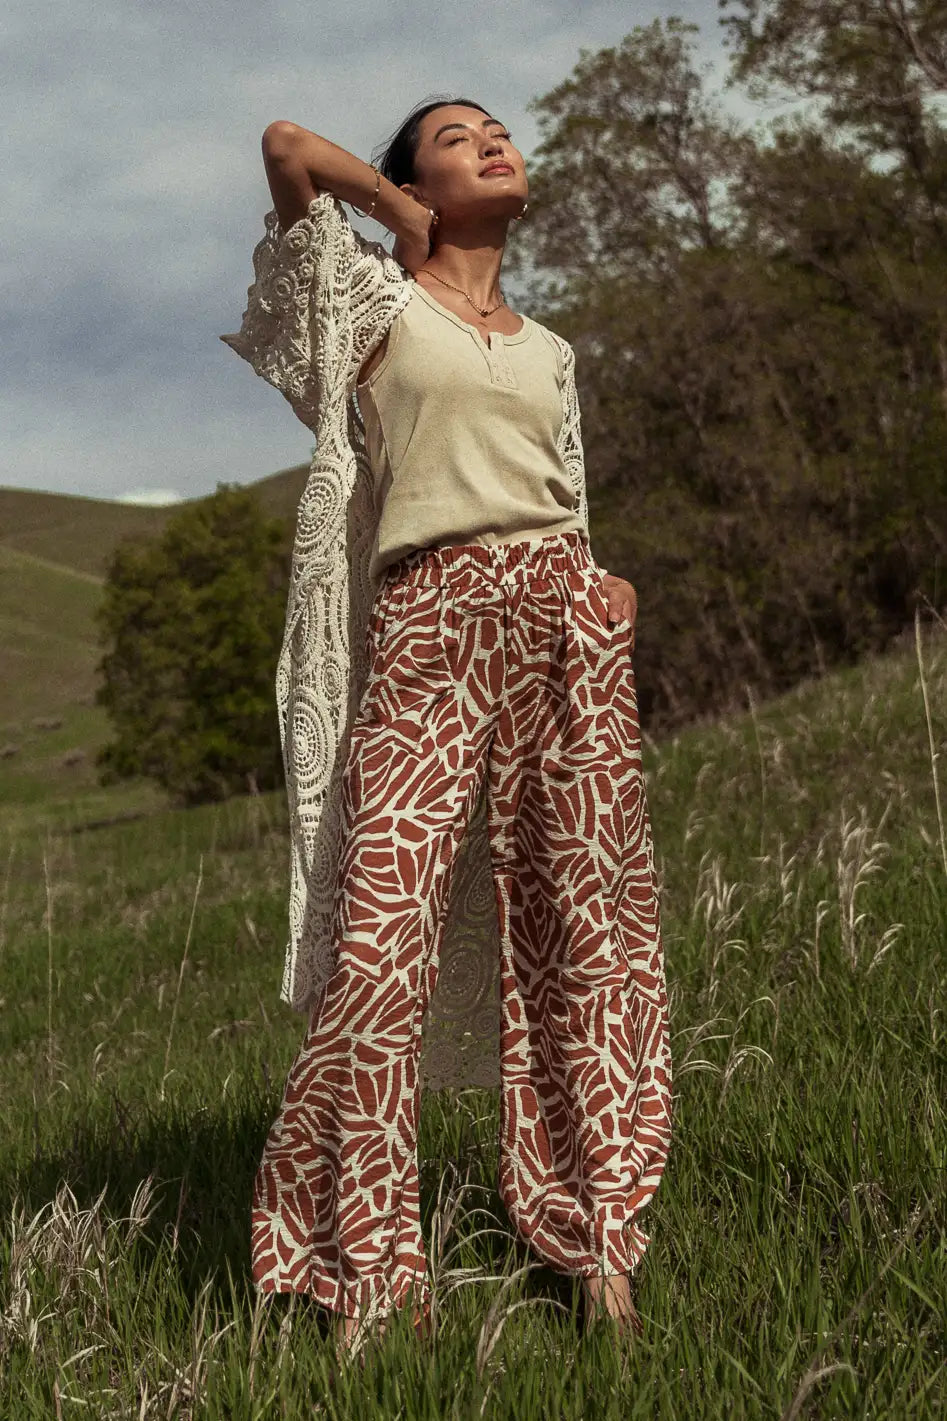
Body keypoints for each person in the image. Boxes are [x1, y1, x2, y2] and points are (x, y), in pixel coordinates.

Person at [220, 96, 672, 1362]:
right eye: (458, 135)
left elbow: (564, 493)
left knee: (582, 939)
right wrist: (392, 211)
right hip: (427, 622)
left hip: (563, 626)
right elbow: (287, 147)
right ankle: (366, 1271)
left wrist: (606, 582)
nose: (492, 141)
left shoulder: (551, 349)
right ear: (417, 176)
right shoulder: (370, 305)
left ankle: (599, 1246)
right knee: (377, 953)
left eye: (499, 130)